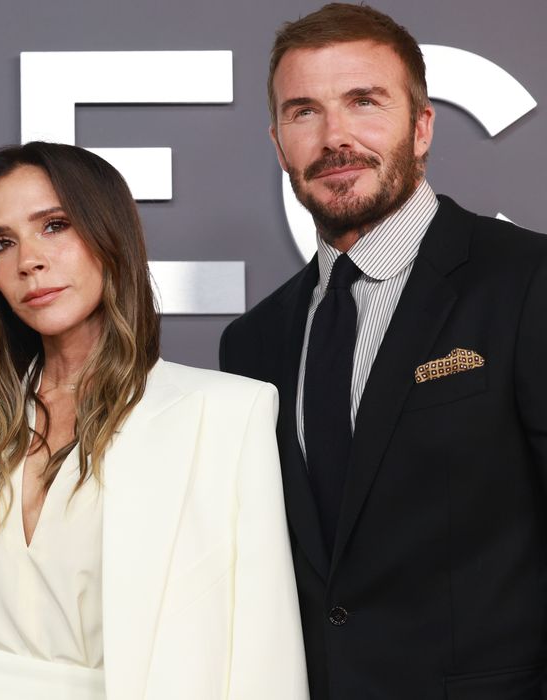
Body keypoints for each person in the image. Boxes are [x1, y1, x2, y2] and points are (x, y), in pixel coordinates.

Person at [0, 142, 307, 700]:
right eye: (1, 244)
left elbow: (263, 650)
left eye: (54, 226)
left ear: (110, 237)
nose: (28, 259)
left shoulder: (224, 414)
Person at [219, 4, 547, 698]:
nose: (336, 137)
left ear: (422, 126)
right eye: (305, 112)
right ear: (279, 142)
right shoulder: (252, 343)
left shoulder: (526, 281)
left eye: (364, 102)